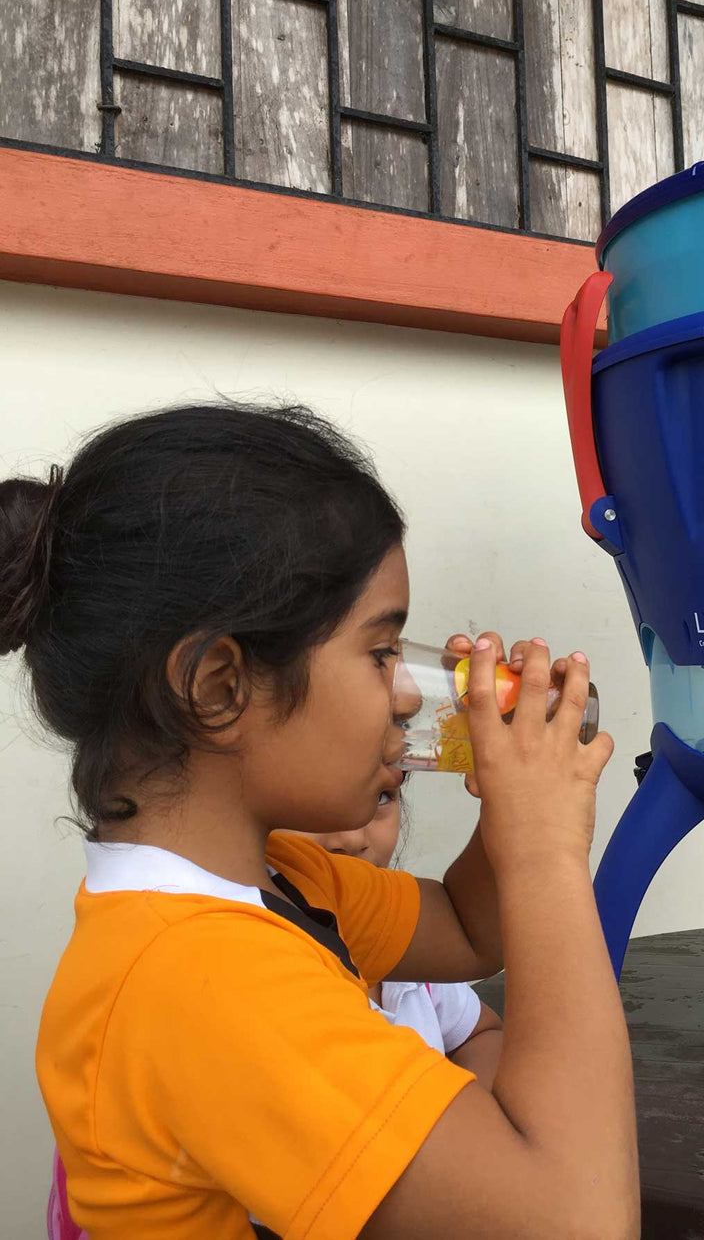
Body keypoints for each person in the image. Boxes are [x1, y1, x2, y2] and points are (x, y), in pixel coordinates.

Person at [2, 403, 637, 1240]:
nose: (408, 690)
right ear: (219, 688)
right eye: (379, 652)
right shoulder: (198, 977)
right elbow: (578, 1222)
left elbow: (469, 925)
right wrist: (546, 846)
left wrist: (508, 802)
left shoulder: (276, 884)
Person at [298, 778, 504, 1088]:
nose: (353, 837)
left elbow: (479, 1033)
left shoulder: (405, 940)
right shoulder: (274, 983)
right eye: (306, 802)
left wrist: (475, 1111)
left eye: (381, 796)